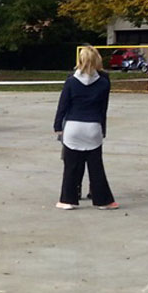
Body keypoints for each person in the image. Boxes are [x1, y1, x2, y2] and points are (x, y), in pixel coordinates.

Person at [53, 46, 117, 210]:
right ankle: (104, 201)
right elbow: (103, 108)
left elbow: (63, 105)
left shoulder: (71, 81)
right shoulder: (103, 82)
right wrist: (103, 128)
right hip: (93, 127)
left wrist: (57, 126)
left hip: (73, 127)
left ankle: (67, 200)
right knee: (96, 167)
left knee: (71, 167)